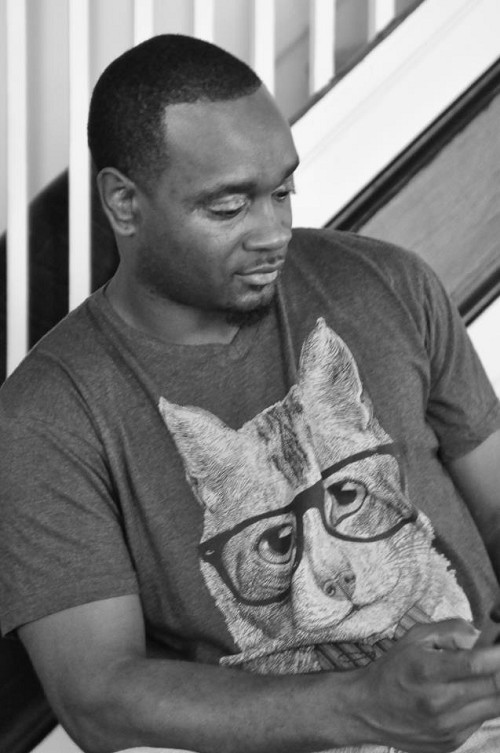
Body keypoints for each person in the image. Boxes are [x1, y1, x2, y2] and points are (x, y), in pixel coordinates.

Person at [1, 33, 500, 753]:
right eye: (230, 207)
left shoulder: (387, 283)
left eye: (282, 191)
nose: (274, 232)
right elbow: (98, 696)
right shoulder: (49, 415)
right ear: (124, 203)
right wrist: (365, 706)